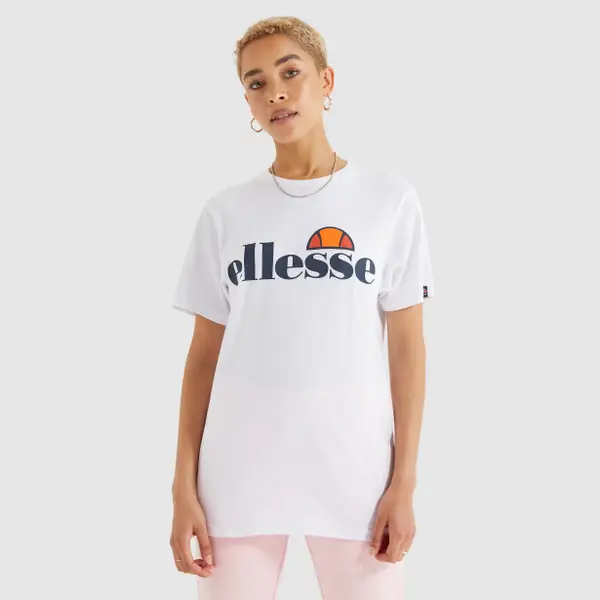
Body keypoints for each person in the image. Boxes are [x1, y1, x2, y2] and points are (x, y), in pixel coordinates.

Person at [169, 15, 435, 600]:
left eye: (290, 73)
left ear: (326, 80)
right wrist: (182, 487)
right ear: (247, 101)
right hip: (236, 475)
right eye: (256, 82)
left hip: (357, 475)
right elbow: (203, 359)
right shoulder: (225, 213)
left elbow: (407, 349)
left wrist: (405, 481)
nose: (276, 92)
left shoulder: (389, 201)